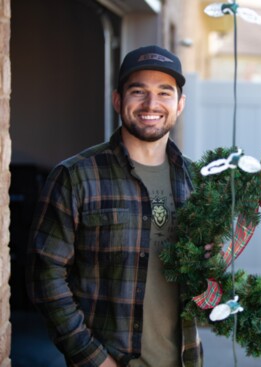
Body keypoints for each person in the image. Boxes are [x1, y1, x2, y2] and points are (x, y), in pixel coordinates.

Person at [26, 45, 204, 367]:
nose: (152, 104)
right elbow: (45, 277)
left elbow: (208, 274)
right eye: (139, 91)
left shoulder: (198, 182)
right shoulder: (75, 177)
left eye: (165, 93)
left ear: (180, 105)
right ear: (118, 100)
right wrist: (93, 359)